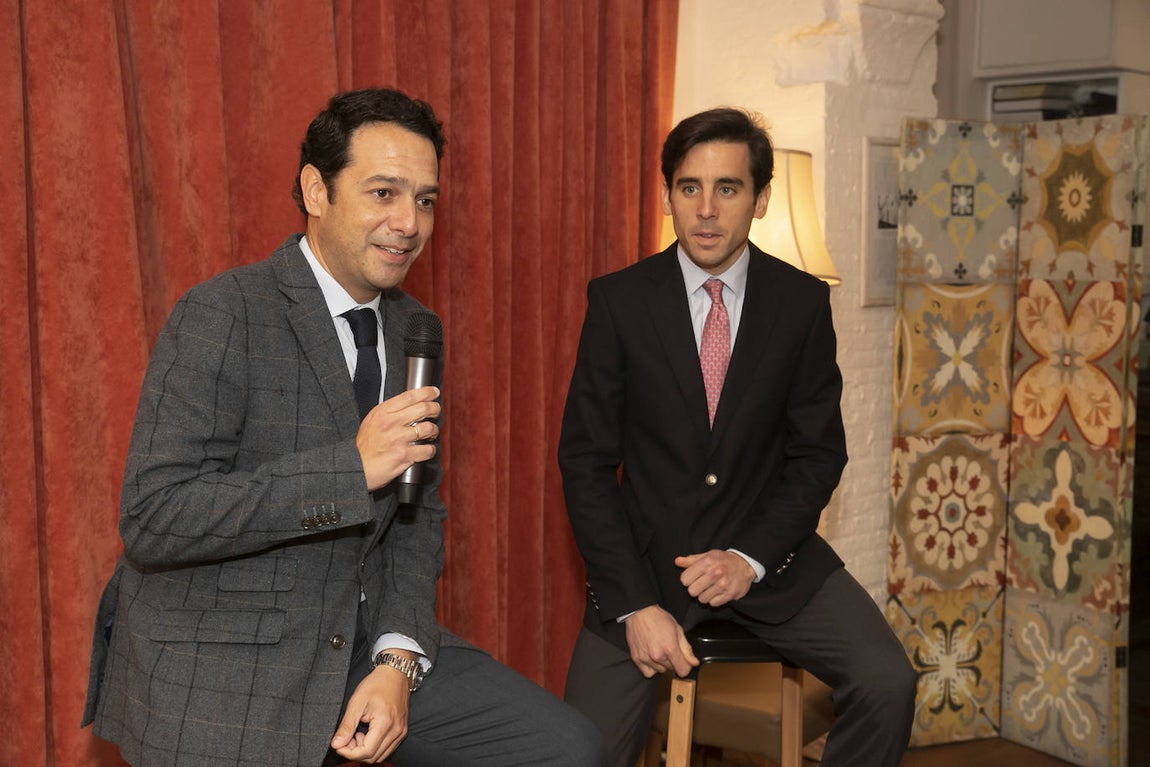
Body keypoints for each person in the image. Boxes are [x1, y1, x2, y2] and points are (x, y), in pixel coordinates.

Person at [82, 87, 607, 767]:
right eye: (383, 192)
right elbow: (155, 516)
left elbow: (418, 517)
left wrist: (396, 659)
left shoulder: (415, 327)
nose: (409, 223)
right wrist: (348, 471)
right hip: (226, 655)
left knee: (569, 746)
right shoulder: (222, 312)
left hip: (360, 640)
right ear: (315, 190)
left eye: (424, 200)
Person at [558, 107, 916, 767]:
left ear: (759, 199)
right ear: (668, 196)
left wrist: (748, 556)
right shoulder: (619, 301)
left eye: (728, 188)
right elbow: (584, 462)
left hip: (769, 559)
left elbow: (817, 454)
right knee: (577, 749)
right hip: (645, 564)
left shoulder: (802, 302)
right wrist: (632, 600)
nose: (706, 209)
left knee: (888, 681)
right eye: (689, 187)